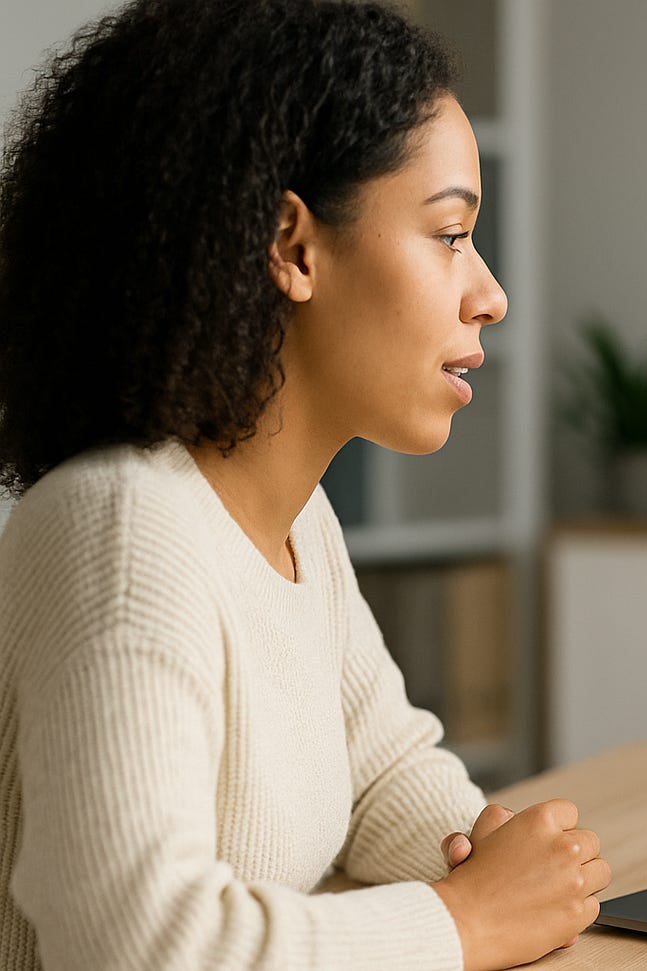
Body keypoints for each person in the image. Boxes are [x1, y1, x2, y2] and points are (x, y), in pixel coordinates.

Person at [0, 1, 609, 969]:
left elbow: (380, 776)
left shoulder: (296, 520)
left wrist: (500, 859)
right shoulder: (120, 529)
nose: (489, 292)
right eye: (450, 233)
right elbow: (131, 942)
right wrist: (466, 918)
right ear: (292, 246)